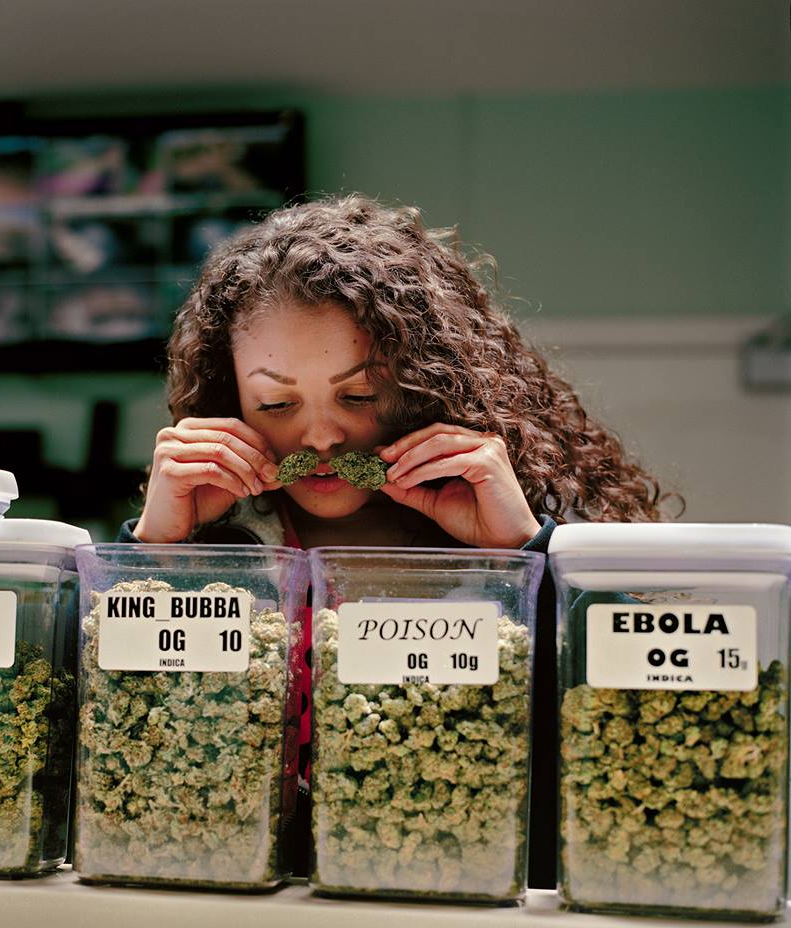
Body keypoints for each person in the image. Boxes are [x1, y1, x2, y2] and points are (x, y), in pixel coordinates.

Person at [119, 194, 676, 889]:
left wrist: (524, 556)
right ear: (231, 401)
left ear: (424, 385)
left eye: (359, 397)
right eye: (276, 404)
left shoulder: (506, 540)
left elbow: (649, 744)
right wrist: (156, 555)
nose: (322, 436)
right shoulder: (210, 552)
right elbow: (119, 763)